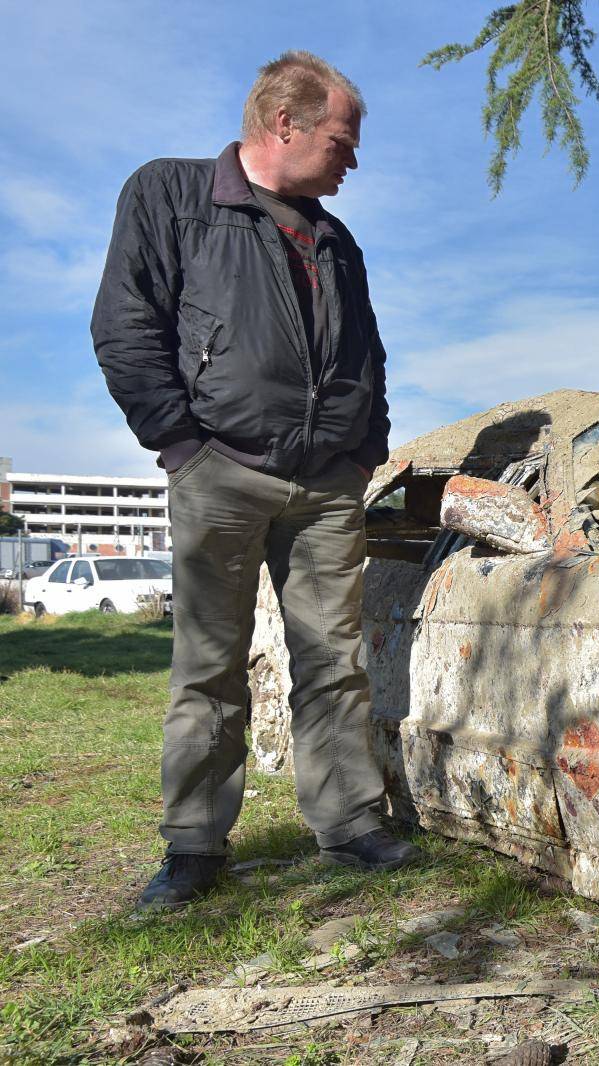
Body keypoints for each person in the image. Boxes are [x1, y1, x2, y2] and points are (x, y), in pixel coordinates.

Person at [91, 51, 418, 912]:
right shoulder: (170, 194)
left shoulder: (334, 239)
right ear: (286, 124)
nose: (353, 160)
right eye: (343, 141)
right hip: (220, 474)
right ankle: (195, 847)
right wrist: (179, 446)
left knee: (335, 664)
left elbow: (367, 355)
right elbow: (126, 323)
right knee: (210, 667)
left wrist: (364, 449)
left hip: (326, 488)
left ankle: (348, 821)